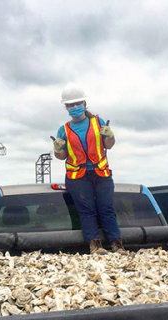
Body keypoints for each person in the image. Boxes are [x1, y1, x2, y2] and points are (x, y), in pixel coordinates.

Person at [53, 83, 127, 255]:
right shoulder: (63, 129)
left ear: (84, 104)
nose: (74, 107)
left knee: (106, 208)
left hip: (101, 173)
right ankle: (95, 245)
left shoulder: (98, 122)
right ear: (66, 108)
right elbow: (62, 156)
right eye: (70, 105)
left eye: (77, 103)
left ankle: (117, 244)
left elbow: (108, 145)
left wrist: (111, 135)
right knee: (87, 211)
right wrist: (57, 149)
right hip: (77, 177)